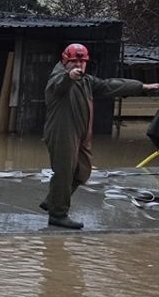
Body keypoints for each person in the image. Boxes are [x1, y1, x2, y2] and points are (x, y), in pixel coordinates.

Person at [41, 43, 158, 229]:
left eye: (82, 62)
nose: (78, 65)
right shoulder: (57, 79)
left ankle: (53, 200)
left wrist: (142, 86)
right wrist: (69, 77)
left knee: (83, 171)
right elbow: (59, 85)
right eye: (74, 61)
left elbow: (109, 85)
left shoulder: (86, 81)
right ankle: (58, 214)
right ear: (65, 62)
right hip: (62, 132)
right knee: (64, 172)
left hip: (80, 133)